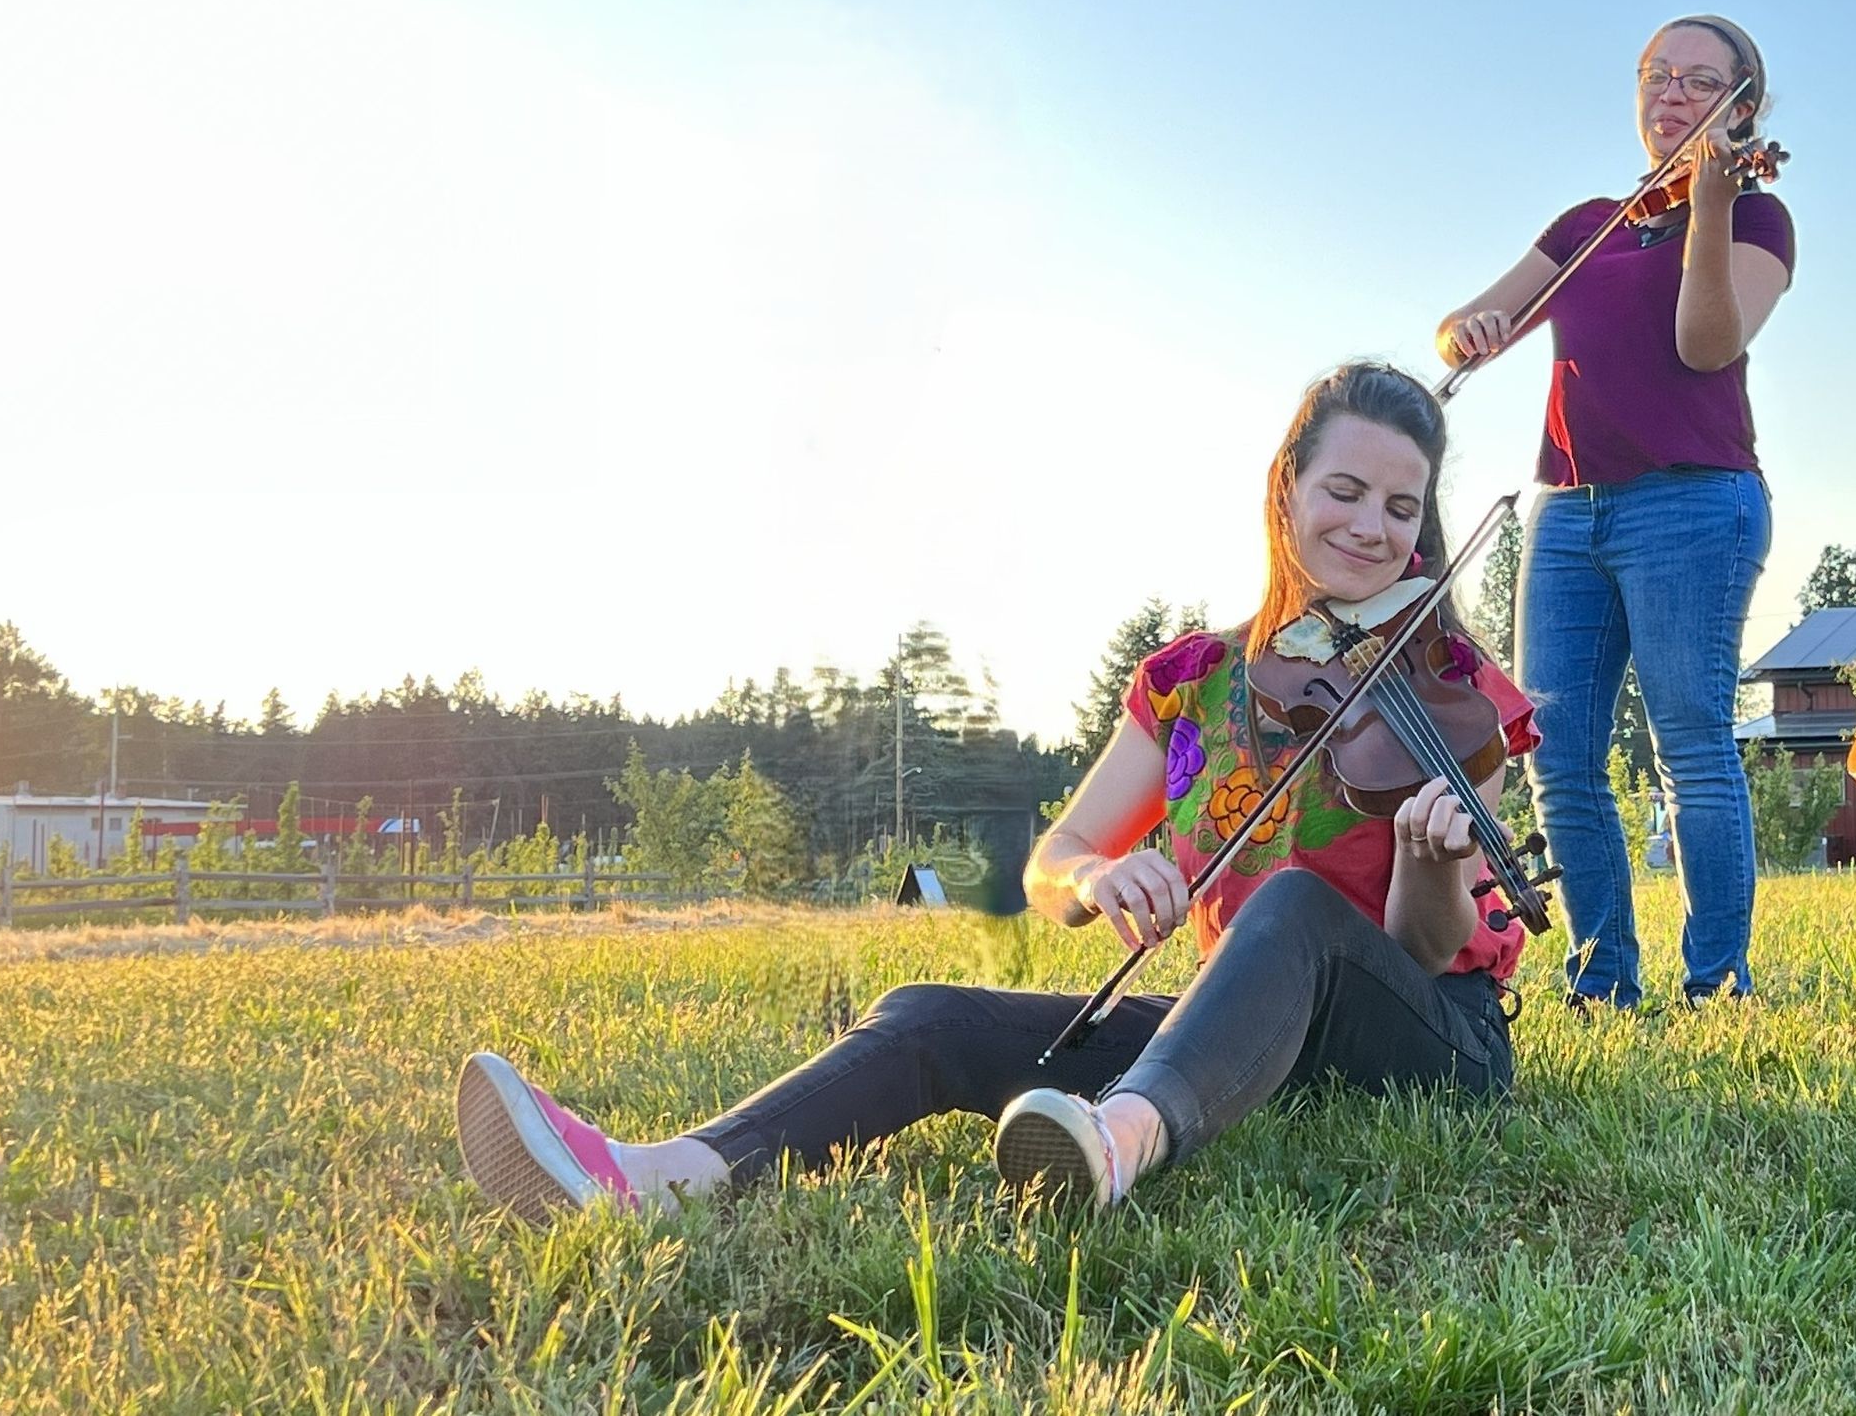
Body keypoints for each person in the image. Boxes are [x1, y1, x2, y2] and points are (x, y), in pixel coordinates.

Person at [455, 364, 1538, 1220]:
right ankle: (661, 1176)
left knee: (1297, 900)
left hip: (1432, 1038)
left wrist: (1434, 862)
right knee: (930, 1016)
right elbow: (1052, 860)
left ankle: (1119, 1142)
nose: (1371, 527)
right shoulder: (1197, 681)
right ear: (1286, 493)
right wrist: (1102, 872)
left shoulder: (1450, 697)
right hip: (1248, 1036)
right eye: (1343, 491)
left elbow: (1430, 949)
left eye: (1401, 508)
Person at [1436, 15, 1793, 1007]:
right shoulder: (1587, 222)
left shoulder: (1758, 219)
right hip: (1570, 511)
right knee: (1558, 754)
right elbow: (1469, 327)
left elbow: (1705, 345)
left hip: (1695, 501)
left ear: (1740, 109)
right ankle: (1602, 975)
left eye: (1698, 82)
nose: (1670, 94)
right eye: (1656, 75)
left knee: (1689, 737)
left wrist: (1712, 203)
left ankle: (1717, 978)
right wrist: (1471, 330)